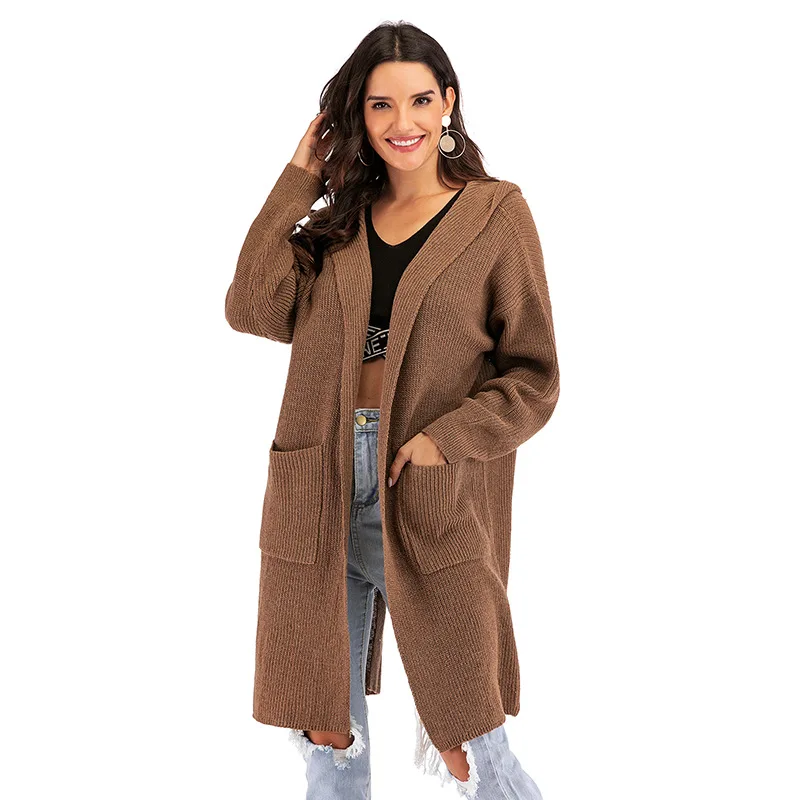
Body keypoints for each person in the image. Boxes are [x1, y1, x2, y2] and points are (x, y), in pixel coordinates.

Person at [224, 21, 560, 800]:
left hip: (427, 484)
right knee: (326, 732)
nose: (402, 122)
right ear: (357, 115)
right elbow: (251, 305)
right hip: (320, 486)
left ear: (449, 103)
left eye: (419, 100)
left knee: (468, 743)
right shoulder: (340, 223)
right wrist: (300, 180)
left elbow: (535, 375)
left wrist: (448, 440)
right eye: (380, 105)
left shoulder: (495, 215)